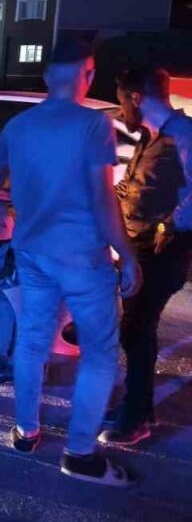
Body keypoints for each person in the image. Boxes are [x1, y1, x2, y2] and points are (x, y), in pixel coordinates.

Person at [0, 41, 141, 486]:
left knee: (33, 341)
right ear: (86, 76)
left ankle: (26, 430)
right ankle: (79, 453)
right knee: (99, 352)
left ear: (45, 77)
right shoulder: (94, 125)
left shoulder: (18, 126)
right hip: (81, 257)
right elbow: (101, 196)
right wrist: (127, 254)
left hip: (33, 250)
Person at [101, 65, 192, 445]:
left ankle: (136, 417)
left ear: (136, 98)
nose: (121, 112)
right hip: (139, 248)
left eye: (123, 102)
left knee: (137, 329)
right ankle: (139, 408)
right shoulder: (150, 138)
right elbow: (131, 189)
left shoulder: (183, 136)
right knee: (138, 329)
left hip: (163, 252)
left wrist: (165, 227)